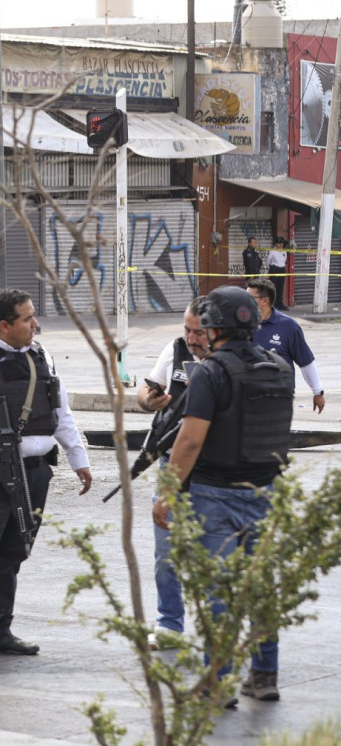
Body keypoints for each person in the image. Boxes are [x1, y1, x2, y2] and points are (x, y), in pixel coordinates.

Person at [152, 286, 293, 703]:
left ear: (214, 328)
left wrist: (168, 493)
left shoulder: (210, 372)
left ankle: (218, 683)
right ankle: (264, 676)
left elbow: (190, 441)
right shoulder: (279, 367)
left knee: (219, 592)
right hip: (266, 490)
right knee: (260, 586)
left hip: (215, 495)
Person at [0, 288, 93, 667]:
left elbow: (60, 412)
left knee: (13, 552)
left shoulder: (40, 355)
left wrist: (79, 459)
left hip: (36, 472)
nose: (35, 324)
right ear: (4, 325)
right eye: (27, 319)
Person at [136, 297, 211, 647]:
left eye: (200, 332)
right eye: (187, 330)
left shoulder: (229, 359)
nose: (192, 339)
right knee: (166, 553)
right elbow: (146, 389)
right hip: (172, 465)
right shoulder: (176, 349)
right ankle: (169, 624)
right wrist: (149, 399)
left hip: (214, 471)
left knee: (215, 554)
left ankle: (218, 627)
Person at [246, 276, 325, 414]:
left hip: (279, 397)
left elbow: (305, 361)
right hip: (248, 396)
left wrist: (318, 391)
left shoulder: (288, 326)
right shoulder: (242, 325)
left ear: (265, 301)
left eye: (249, 298)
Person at [267, 237, 289, 309]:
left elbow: (284, 261)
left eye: (281, 243)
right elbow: (268, 261)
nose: (280, 245)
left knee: (280, 287)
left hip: (282, 270)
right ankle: (274, 304)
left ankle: (280, 304)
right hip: (274, 270)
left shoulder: (284, 251)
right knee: (274, 288)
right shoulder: (272, 251)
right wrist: (270, 267)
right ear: (276, 244)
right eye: (279, 243)